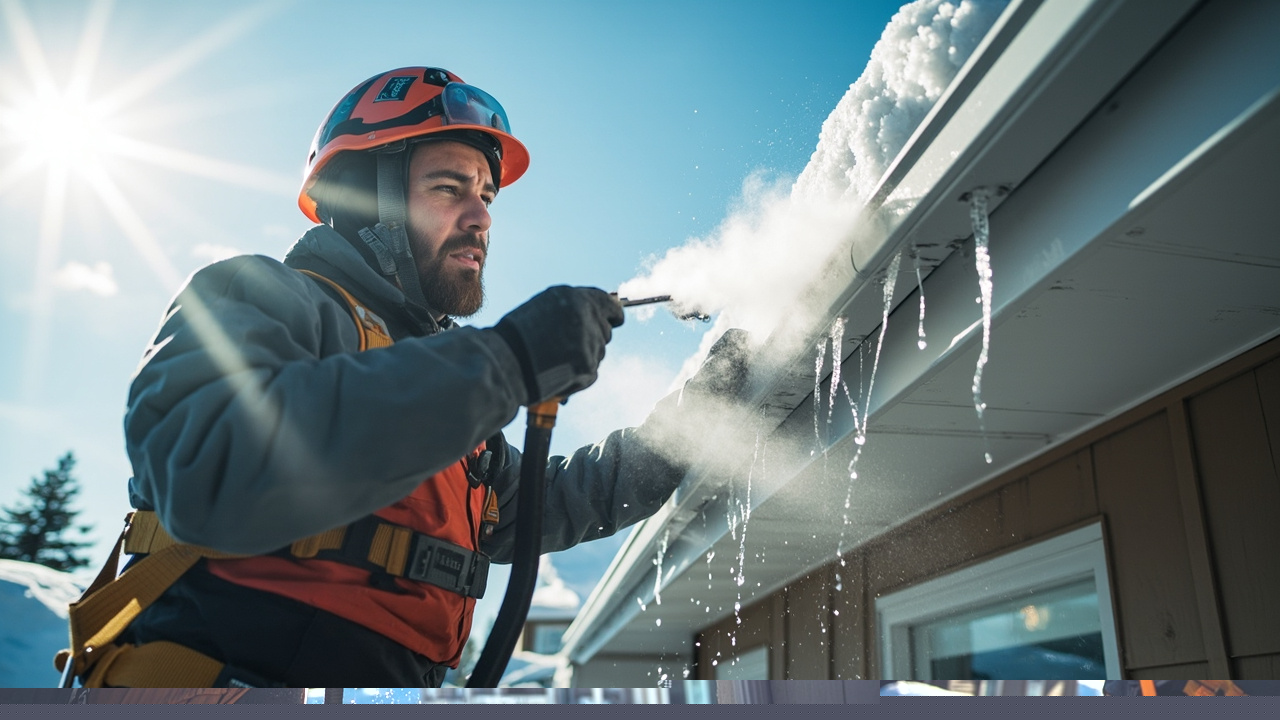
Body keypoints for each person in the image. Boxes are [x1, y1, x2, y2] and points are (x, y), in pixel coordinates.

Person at [59, 66, 747, 689]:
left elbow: (557, 498)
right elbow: (212, 470)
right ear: (365, 202)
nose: (480, 217)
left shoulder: (453, 412)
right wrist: (506, 360)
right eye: (449, 189)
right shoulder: (257, 297)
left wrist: (699, 416)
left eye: (486, 195)